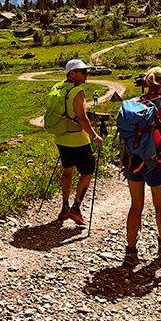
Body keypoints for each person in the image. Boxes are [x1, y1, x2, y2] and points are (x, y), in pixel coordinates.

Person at [123, 67, 161, 266]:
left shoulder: (134, 104)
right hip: (157, 161)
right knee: (160, 206)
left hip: (134, 161)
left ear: (146, 83)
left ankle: (131, 250)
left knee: (136, 206)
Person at [51, 59, 103, 226]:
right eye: (82, 71)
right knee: (87, 172)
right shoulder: (77, 91)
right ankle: (76, 207)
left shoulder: (57, 88)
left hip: (61, 138)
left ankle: (65, 206)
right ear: (72, 74)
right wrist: (95, 136)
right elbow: (83, 119)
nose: (86, 74)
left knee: (67, 171)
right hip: (78, 140)